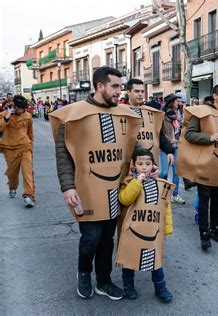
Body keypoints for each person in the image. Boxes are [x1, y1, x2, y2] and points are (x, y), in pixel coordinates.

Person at [50, 66, 142, 300]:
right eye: (114, 86)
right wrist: (67, 186)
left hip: (114, 188)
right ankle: (83, 274)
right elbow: (63, 154)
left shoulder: (124, 114)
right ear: (100, 86)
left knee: (107, 239)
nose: (118, 92)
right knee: (91, 238)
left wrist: (147, 164)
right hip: (86, 189)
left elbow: (133, 146)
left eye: (120, 87)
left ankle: (104, 281)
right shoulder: (71, 115)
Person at [177, 84, 218, 251]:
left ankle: (214, 228)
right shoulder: (201, 112)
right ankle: (204, 234)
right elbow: (189, 134)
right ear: (215, 96)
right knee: (204, 201)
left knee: (216, 199)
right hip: (205, 165)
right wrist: (209, 137)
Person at [116, 146, 174, 302]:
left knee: (155, 260)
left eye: (148, 164)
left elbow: (165, 207)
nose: (144, 167)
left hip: (151, 232)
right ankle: (128, 285)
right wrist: (137, 182)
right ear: (134, 165)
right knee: (129, 258)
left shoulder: (160, 183)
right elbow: (124, 199)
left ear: (153, 165)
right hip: (132, 231)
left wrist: (167, 228)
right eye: (140, 164)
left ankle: (160, 288)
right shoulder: (128, 181)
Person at [126, 78, 174, 175]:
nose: (140, 94)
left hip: (150, 163)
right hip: (130, 165)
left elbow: (158, 134)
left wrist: (169, 151)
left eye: (142, 91)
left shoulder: (150, 112)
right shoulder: (120, 112)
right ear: (128, 92)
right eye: (136, 91)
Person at [0, 95, 35, 207]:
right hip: (10, 148)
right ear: (15, 106)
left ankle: (29, 196)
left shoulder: (28, 116)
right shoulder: (5, 115)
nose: (21, 110)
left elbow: (30, 133)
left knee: (27, 172)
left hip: (25, 147)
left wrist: (31, 146)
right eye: (19, 108)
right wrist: (7, 117)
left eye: (23, 108)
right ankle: (12, 187)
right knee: (12, 173)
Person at [160, 93, 185, 204]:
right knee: (164, 172)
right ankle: (163, 193)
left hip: (176, 146)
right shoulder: (162, 115)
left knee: (176, 172)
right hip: (165, 147)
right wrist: (169, 140)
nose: (178, 103)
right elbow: (159, 132)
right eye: (176, 101)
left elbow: (177, 129)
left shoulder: (177, 114)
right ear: (171, 102)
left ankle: (175, 195)